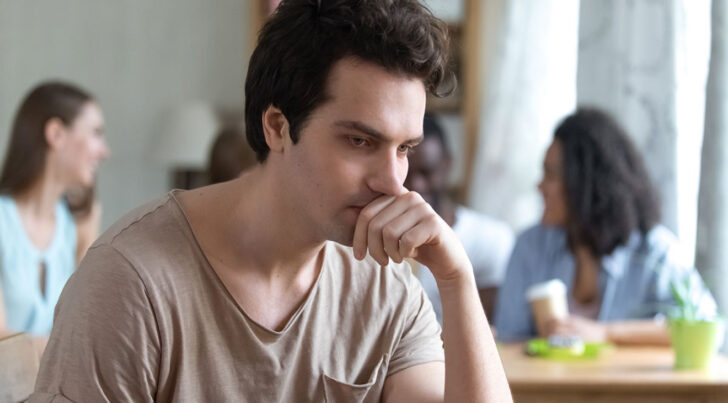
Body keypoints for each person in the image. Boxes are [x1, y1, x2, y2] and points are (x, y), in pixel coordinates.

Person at [31, 1, 511, 402]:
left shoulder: (385, 285)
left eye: (404, 149)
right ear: (278, 127)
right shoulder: (131, 280)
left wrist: (456, 278)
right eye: (359, 141)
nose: (393, 183)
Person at [495, 108, 716, 344]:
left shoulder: (655, 252)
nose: (540, 186)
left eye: (551, 175)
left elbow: (706, 329)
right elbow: (507, 338)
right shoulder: (530, 247)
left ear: (586, 182)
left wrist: (606, 333)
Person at [0, 82, 109, 340]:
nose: (104, 151)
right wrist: (66, 348)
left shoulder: (79, 222)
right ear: (56, 134)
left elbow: (88, 325)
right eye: (96, 133)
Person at [405, 114, 514, 321]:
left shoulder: (490, 239)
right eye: (406, 173)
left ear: (447, 165)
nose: (416, 185)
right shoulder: (375, 242)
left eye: (427, 173)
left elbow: (490, 327)